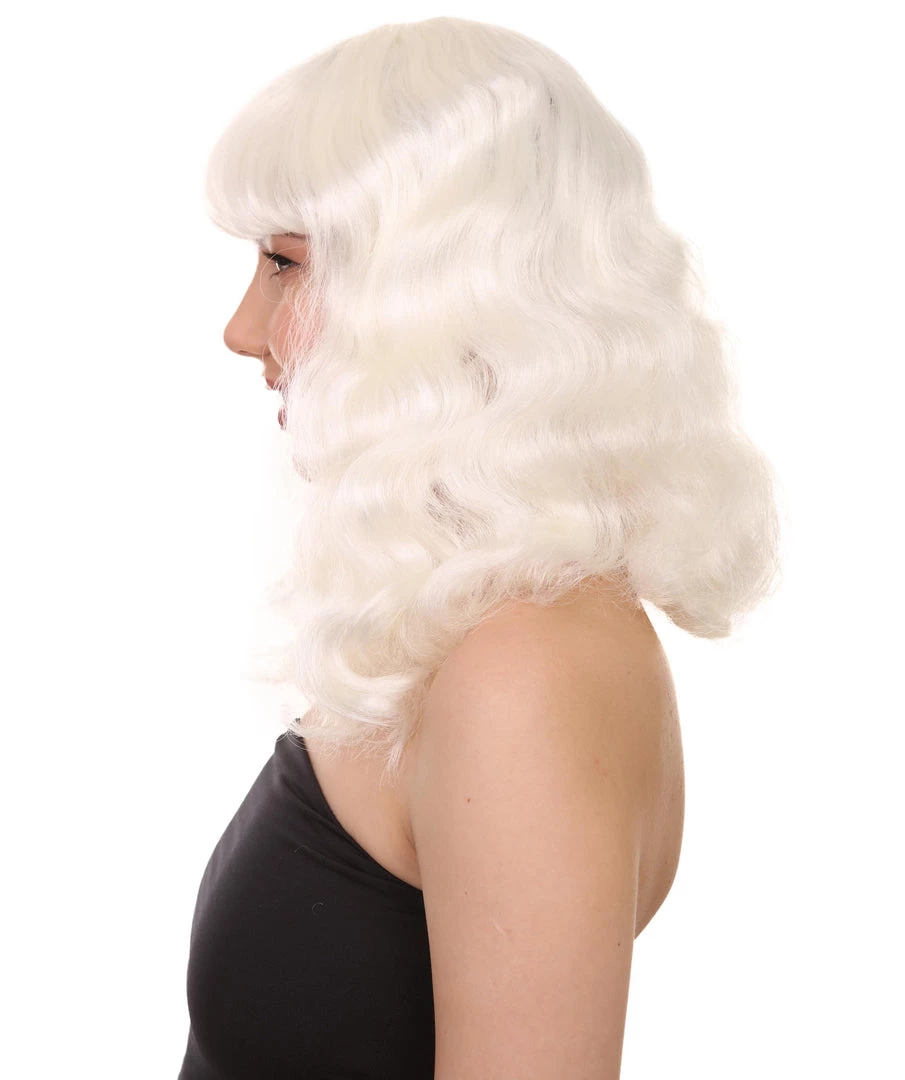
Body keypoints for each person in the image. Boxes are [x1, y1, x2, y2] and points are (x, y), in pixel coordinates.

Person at [177, 16, 782, 1080]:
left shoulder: (525, 667)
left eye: (284, 263)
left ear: (446, 285)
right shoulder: (463, 617)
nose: (241, 328)